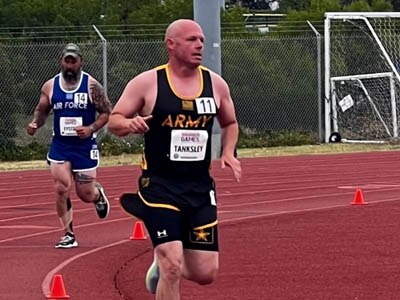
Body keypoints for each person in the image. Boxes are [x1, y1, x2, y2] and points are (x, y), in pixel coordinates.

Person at [108, 19, 241, 299]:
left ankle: (161, 260)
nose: (200, 45)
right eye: (192, 40)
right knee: (173, 266)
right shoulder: (148, 82)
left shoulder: (215, 84)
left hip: (199, 189)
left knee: (205, 273)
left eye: (202, 40)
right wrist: (129, 124)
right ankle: (165, 258)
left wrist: (228, 151)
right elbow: (114, 120)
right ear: (171, 44)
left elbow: (230, 123)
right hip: (159, 186)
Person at [26, 43, 112, 249]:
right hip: (60, 145)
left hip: (84, 147)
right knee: (61, 188)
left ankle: (98, 195)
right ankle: (68, 234)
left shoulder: (92, 86)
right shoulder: (50, 86)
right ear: (61, 61)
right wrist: (35, 123)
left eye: (74, 61)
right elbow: (43, 109)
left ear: (81, 62)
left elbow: (106, 112)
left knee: (85, 194)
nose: (70, 65)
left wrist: (91, 128)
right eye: (67, 61)